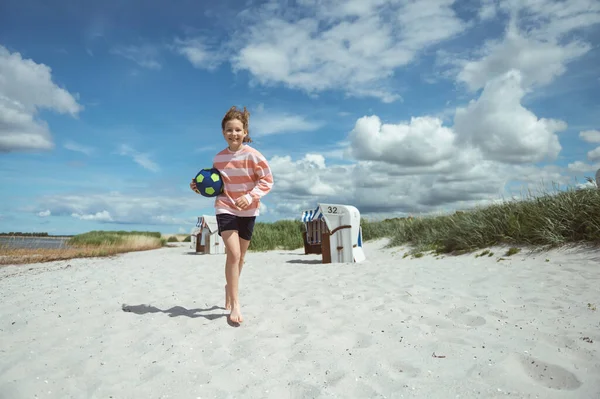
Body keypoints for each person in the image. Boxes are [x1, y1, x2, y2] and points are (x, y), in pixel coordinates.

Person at [190, 106, 273, 324]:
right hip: (225, 207)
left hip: (248, 210)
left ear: (245, 131)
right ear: (223, 132)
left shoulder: (254, 156)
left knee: (241, 257)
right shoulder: (218, 159)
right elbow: (215, 184)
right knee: (233, 254)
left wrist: (251, 196)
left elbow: (267, 181)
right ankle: (235, 305)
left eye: (238, 130)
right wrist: (199, 187)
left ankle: (230, 286)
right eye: (229, 130)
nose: (233, 134)